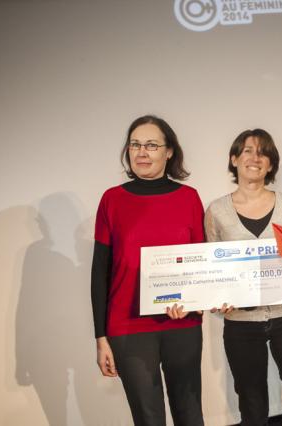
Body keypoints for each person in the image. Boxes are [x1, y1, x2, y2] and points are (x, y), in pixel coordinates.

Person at [91, 115, 204, 426]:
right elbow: (100, 272)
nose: (142, 152)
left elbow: (199, 263)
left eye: (151, 145)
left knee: (190, 414)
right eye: (135, 144)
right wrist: (100, 336)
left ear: (169, 152)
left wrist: (193, 303)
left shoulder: (189, 198)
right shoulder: (112, 200)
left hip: (182, 322)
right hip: (128, 327)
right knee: (148, 418)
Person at [205, 129, 282, 426]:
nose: (255, 158)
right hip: (241, 324)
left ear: (271, 165)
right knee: (252, 405)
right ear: (234, 159)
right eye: (247, 151)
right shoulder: (216, 210)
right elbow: (213, 271)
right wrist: (218, 301)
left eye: (263, 153)